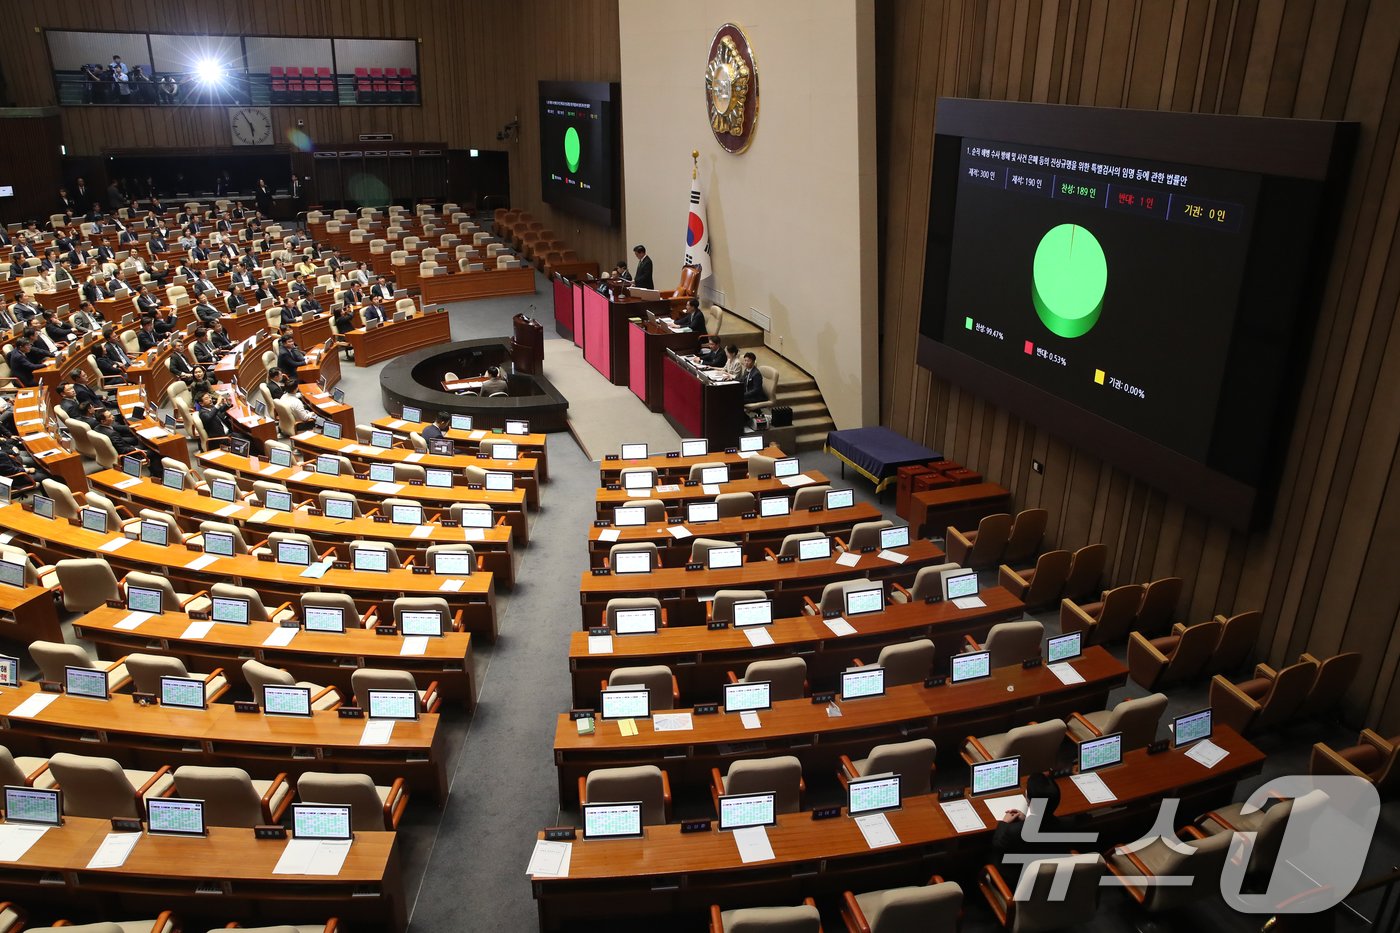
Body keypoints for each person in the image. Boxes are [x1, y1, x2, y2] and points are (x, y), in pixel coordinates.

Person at [992, 772, 1065, 888]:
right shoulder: (1064, 825)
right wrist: (1026, 820)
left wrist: (1003, 823)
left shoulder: (1014, 832)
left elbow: (997, 843)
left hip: (1017, 886)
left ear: (1028, 800)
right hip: (1050, 884)